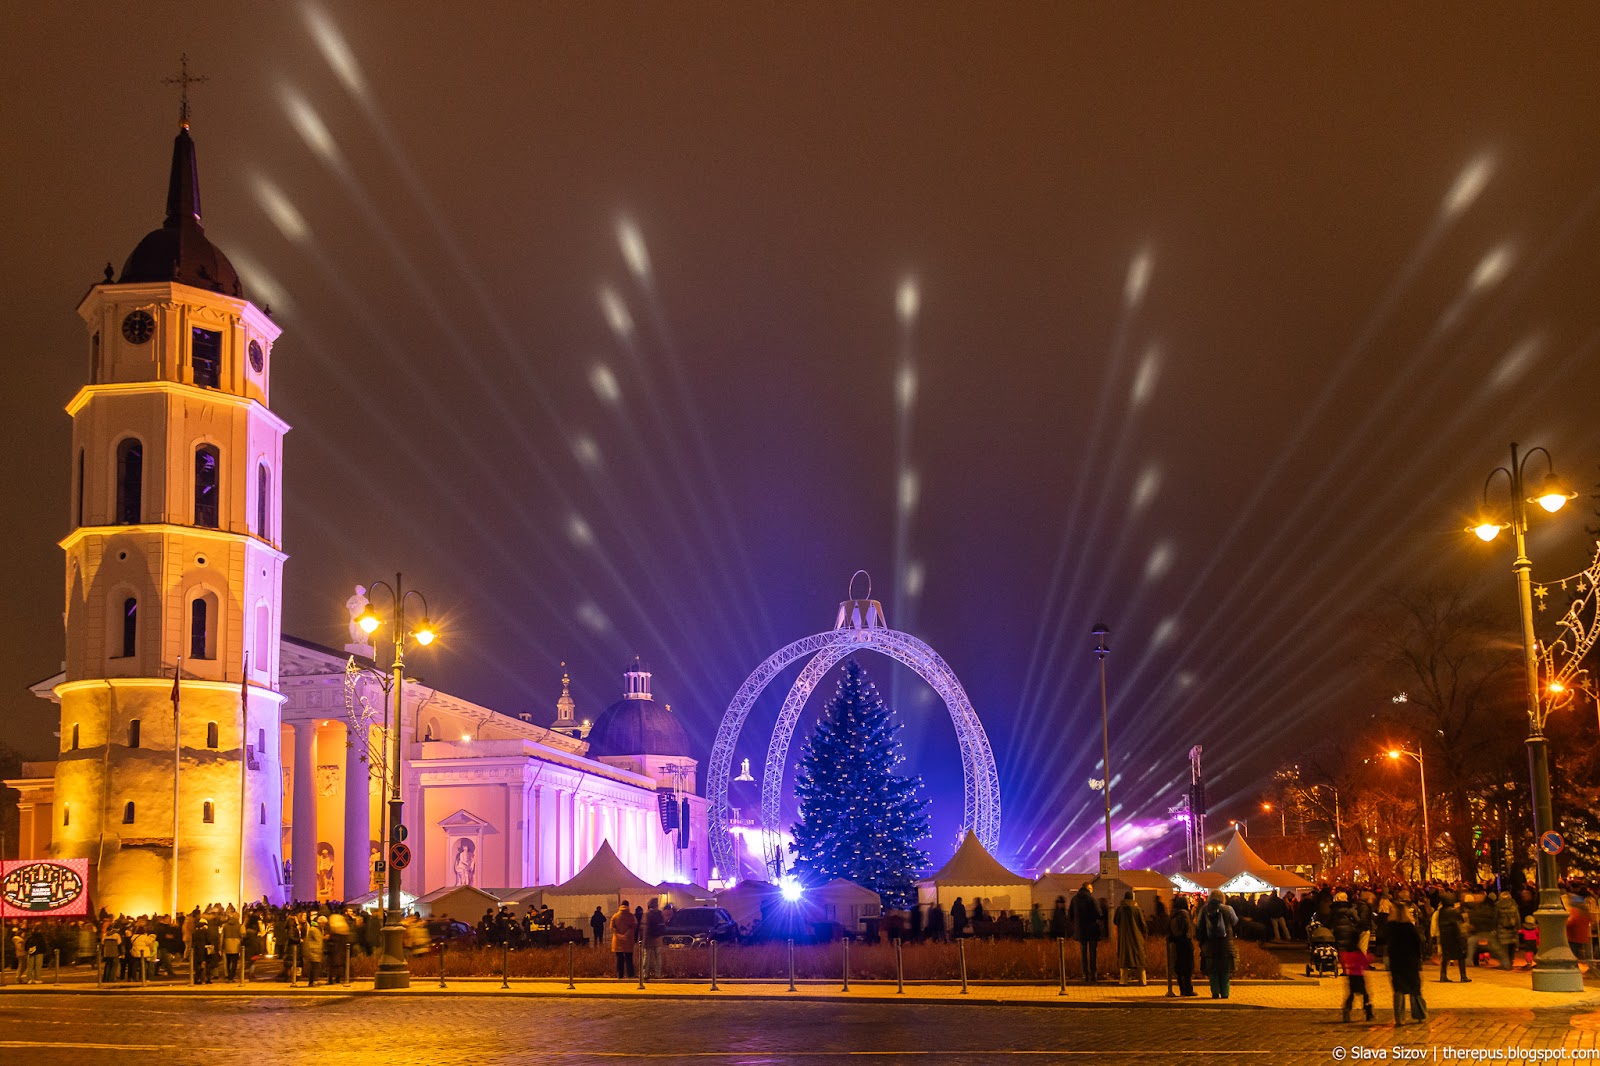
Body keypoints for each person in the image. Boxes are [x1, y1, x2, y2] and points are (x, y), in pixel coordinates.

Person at [1331, 892, 1373, 1021]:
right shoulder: (1351, 911)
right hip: (1359, 974)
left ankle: (1347, 1009)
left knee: (1351, 993)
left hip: (1351, 973)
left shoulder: (1334, 911)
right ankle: (1368, 1011)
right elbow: (1365, 959)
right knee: (1364, 993)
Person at [1387, 903, 1427, 1025]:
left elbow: (1388, 944)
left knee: (1399, 988)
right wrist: (1420, 958)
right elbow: (1418, 943)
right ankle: (1420, 1015)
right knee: (1415, 988)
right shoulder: (1409, 927)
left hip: (1396, 961)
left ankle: (1399, 1017)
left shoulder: (1391, 927)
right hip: (1410, 960)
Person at [1196, 889, 1238, 1000]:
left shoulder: (1204, 909)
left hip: (1209, 946)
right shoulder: (1228, 909)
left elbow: (1199, 926)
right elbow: (1235, 921)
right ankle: (1225, 993)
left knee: (1212, 971)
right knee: (1225, 970)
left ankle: (1215, 992)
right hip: (1226, 945)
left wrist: (1201, 942)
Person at [1069, 884, 1103, 983]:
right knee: (1093, 953)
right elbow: (1098, 913)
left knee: (1083, 953)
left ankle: (1085, 974)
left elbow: (1070, 914)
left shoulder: (1074, 899)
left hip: (1080, 930)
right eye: (1092, 889)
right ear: (1088, 889)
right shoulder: (1091, 899)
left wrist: (1076, 924)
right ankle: (1093, 974)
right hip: (1092, 930)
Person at [1434, 895, 1470, 983]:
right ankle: (1463, 976)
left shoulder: (1441, 911)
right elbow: (1459, 924)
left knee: (1445, 956)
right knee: (1461, 956)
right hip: (1455, 936)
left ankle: (1443, 976)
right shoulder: (1454, 911)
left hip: (1445, 937)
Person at [1114, 891, 1147, 985]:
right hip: (1137, 937)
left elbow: (1116, 921)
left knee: (1124, 958)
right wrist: (1145, 934)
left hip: (1124, 938)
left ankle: (1123, 980)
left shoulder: (1120, 909)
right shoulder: (1137, 909)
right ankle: (1142, 980)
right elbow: (1142, 924)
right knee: (1139, 959)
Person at [1167, 896, 1198, 997]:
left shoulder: (1173, 914)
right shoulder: (1184, 914)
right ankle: (1188, 990)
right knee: (1187, 967)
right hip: (1185, 942)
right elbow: (1187, 928)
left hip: (1176, 943)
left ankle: (1182, 989)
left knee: (1179, 968)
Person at [611, 901, 638, 979]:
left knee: (619, 959)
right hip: (628, 941)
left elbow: (612, 928)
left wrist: (619, 935)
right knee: (629, 958)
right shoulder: (631, 916)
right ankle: (630, 974)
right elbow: (634, 927)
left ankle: (620, 975)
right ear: (628, 906)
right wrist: (626, 934)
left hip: (617, 941)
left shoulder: (615, 916)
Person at [642, 898, 666, 979]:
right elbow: (663, 926)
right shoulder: (660, 914)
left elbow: (645, 927)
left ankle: (645, 974)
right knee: (658, 957)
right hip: (658, 938)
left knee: (646, 957)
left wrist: (643, 940)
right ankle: (658, 974)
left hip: (649, 938)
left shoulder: (647, 914)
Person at [302, 915, 325, 987]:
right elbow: (318, 940)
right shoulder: (314, 929)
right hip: (314, 951)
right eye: (323, 923)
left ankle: (312, 981)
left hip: (315, 951)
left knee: (314, 967)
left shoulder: (317, 929)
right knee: (315, 967)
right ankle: (313, 981)